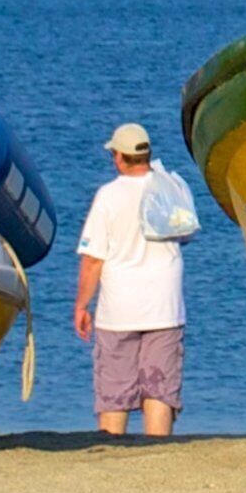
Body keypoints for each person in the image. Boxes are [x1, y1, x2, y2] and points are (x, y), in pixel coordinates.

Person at [75, 122, 192, 437]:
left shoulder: (109, 196)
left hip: (119, 311)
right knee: (160, 389)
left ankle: (113, 449)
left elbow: (93, 260)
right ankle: (158, 451)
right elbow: (185, 234)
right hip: (165, 306)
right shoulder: (173, 187)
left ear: (119, 157)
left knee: (114, 389)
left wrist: (82, 306)